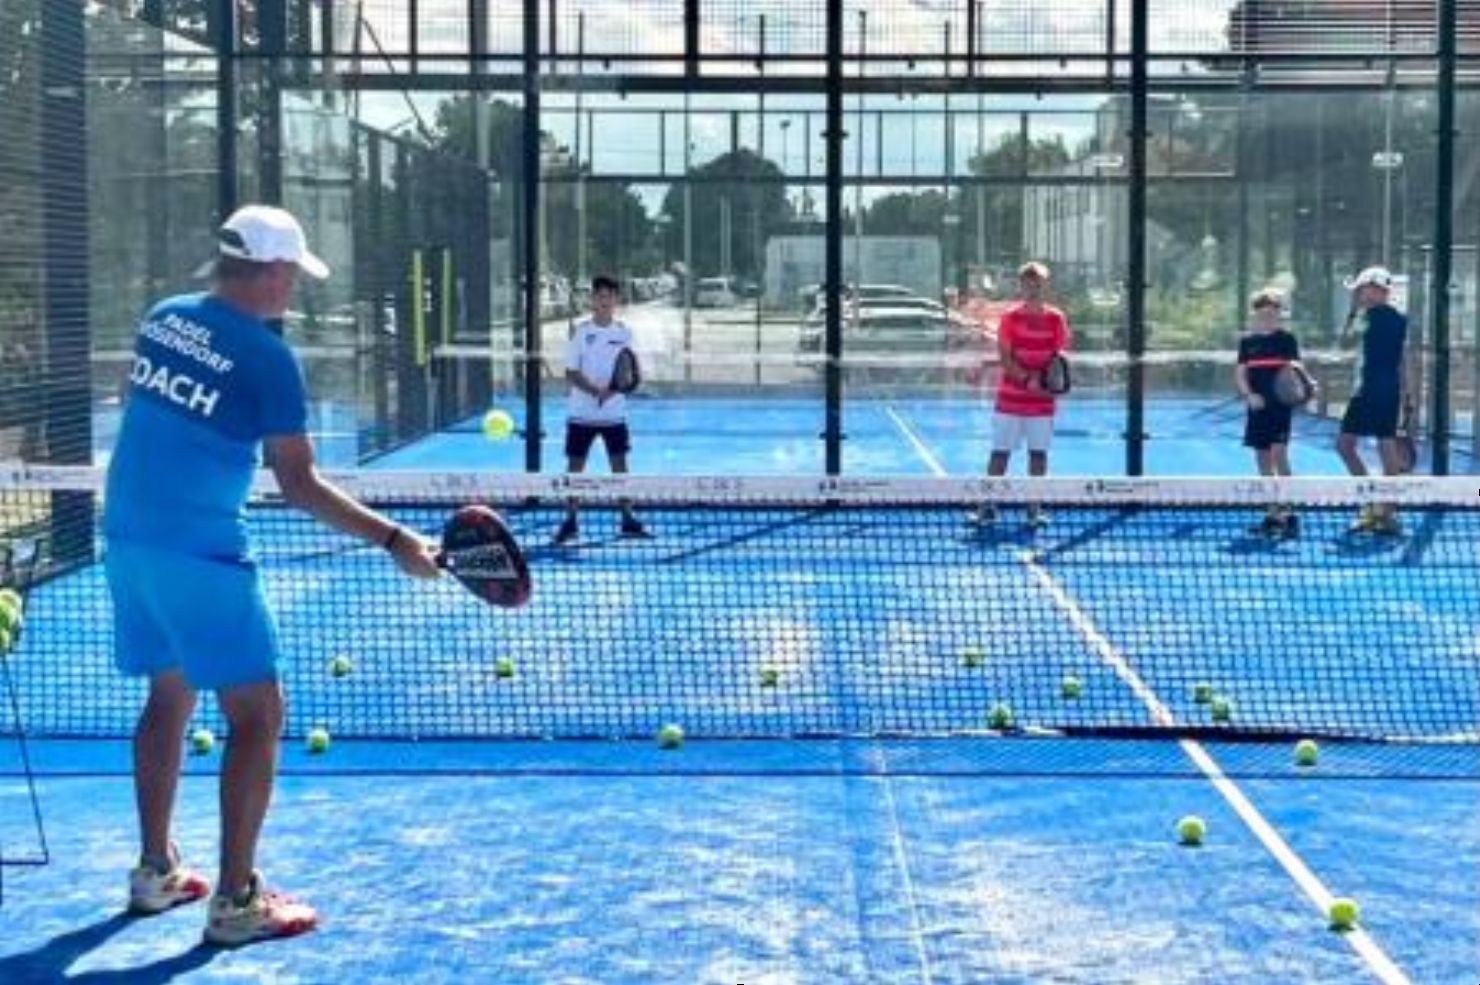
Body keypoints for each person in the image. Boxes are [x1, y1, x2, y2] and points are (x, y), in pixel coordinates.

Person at [104, 205, 441, 946]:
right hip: (200, 550)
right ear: (273, 270)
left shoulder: (163, 316)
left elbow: (151, 412)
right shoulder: (268, 358)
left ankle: (155, 870)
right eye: (293, 274)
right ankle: (236, 901)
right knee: (258, 713)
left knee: (168, 692)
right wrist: (393, 538)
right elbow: (299, 483)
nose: (296, 289)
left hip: (125, 534)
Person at [972, 261, 1071, 528]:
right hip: (1010, 401)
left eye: (1037, 283)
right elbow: (1005, 357)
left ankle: (1033, 509)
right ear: (1021, 286)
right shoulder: (1009, 318)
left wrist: (1045, 381)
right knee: (1000, 454)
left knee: (1038, 455)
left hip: (1042, 404)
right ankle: (986, 507)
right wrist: (1027, 380)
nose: (1032, 288)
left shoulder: (1056, 318)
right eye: (1027, 284)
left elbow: (1059, 355)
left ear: (1044, 286)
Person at [552, 274, 649, 545]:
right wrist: (595, 391)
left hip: (614, 415)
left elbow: (630, 371)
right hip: (581, 415)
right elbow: (570, 372)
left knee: (620, 466)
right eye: (600, 296)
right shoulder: (581, 333)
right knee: (575, 468)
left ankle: (628, 519)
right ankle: (570, 522)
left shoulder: (625, 333)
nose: (604, 301)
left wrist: (614, 389)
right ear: (593, 300)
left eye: (609, 296)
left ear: (616, 300)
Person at [1335, 265, 1410, 535]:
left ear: (1378, 290)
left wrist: (1355, 313)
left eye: (1361, 289)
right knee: (1363, 446)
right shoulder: (1397, 318)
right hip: (1378, 390)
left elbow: (1345, 343)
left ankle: (1381, 511)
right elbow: (1400, 358)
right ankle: (1379, 509)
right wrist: (1406, 393)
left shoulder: (1370, 317)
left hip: (1373, 390)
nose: (1358, 293)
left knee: (1358, 446)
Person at [1234, 287, 1306, 537]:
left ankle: (1289, 513)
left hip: (1280, 408)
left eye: (1273, 314)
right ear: (1255, 315)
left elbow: (1295, 370)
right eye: (1263, 315)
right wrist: (1249, 395)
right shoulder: (1247, 342)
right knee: (1262, 459)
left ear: (1279, 315)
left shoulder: (1287, 339)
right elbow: (1241, 374)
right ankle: (1272, 514)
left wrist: (1303, 385)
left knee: (1279, 455)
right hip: (1257, 409)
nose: (1268, 319)